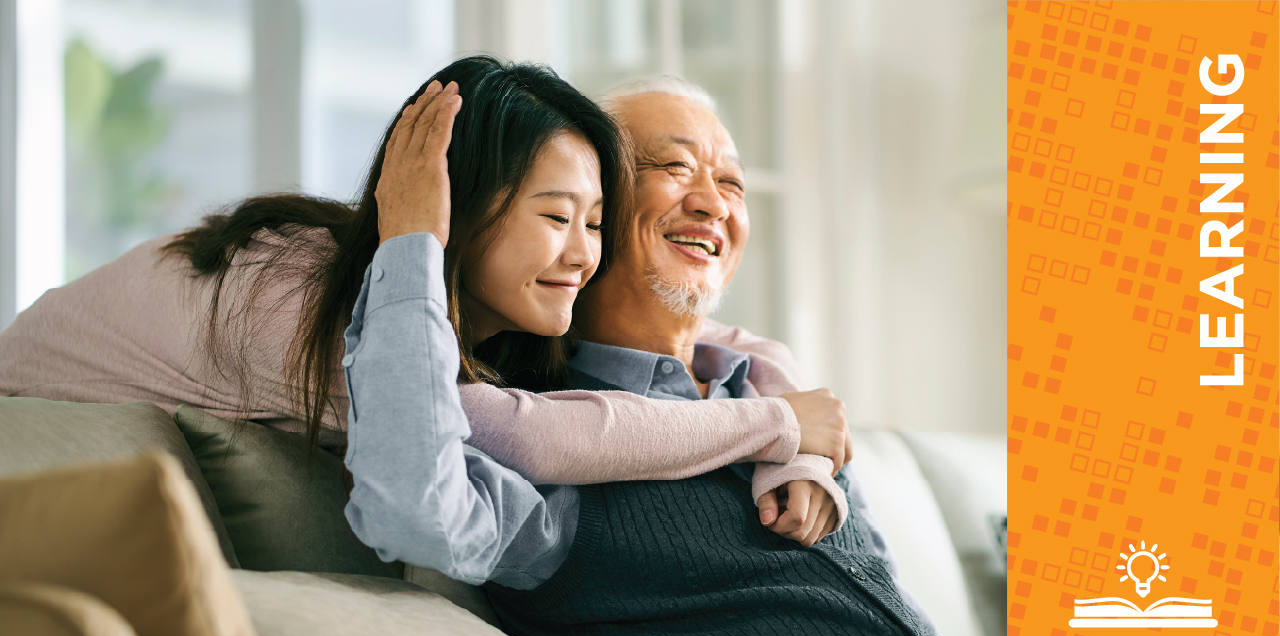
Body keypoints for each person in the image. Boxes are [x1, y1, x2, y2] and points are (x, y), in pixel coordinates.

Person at [0, 55, 849, 541]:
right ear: (458, 208)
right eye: (558, 216)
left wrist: (799, 435)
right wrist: (775, 425)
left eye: (597, 222)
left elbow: (731, 342)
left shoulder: (491, 312)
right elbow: (465, 484)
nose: (583, 255)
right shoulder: (307, 297)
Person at [343, 67, 999, 636]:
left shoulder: (787, 405)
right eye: (675, 168)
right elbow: (417, 510)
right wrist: (412, 244)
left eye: (733, 183)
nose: (714, 203)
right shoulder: (537, 454)